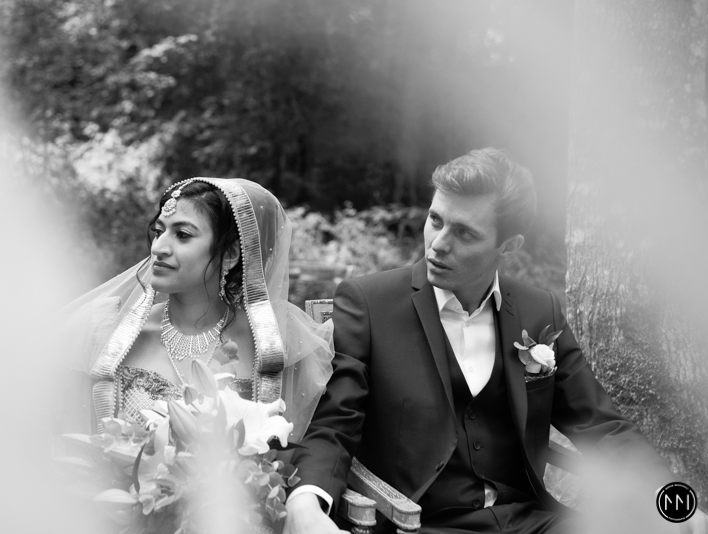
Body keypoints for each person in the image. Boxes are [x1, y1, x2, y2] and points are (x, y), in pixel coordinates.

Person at [285, 148, 708, 534]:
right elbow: (334, 424)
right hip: (417, 523)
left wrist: (676, 506)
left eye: (465, 234)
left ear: (509, 246)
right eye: (436, 220)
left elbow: (600, 426)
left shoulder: (539, 312)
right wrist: (305, 502)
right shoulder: (369, 303)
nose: (438, 245)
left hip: (531, 521)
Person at [55, 177, 333, 444]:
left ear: (230, 253)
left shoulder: (274, 341)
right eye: (159, 232)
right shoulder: (109, 333)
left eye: (182, 235)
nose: (159, 248)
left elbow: (298, 450)